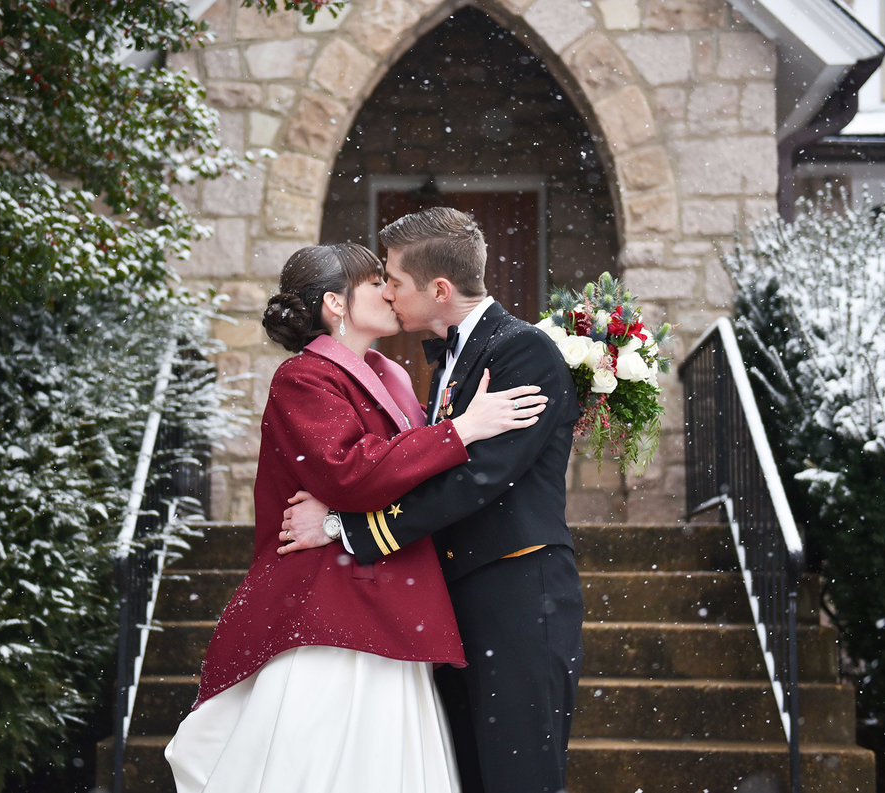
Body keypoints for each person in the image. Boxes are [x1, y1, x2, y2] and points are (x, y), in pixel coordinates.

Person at [164, 242, 547, 793]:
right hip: (330, 602)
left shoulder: (388, 373)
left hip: (386, 595)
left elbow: (407, 472)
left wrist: (466, 424)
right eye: (375, 282)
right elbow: (349, 472)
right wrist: (459, 431)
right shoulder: (303, 377)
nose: (389, 291)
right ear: (335, 303)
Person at [281, 208, 584, 793]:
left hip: (518, 596)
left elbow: (476, 481)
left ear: (438, 290)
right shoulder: (441, 360)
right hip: (456, 603)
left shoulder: (523, 352)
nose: (387, 294)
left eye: (393, 280)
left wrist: (347, 529)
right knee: (465, 774)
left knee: (518, 776)